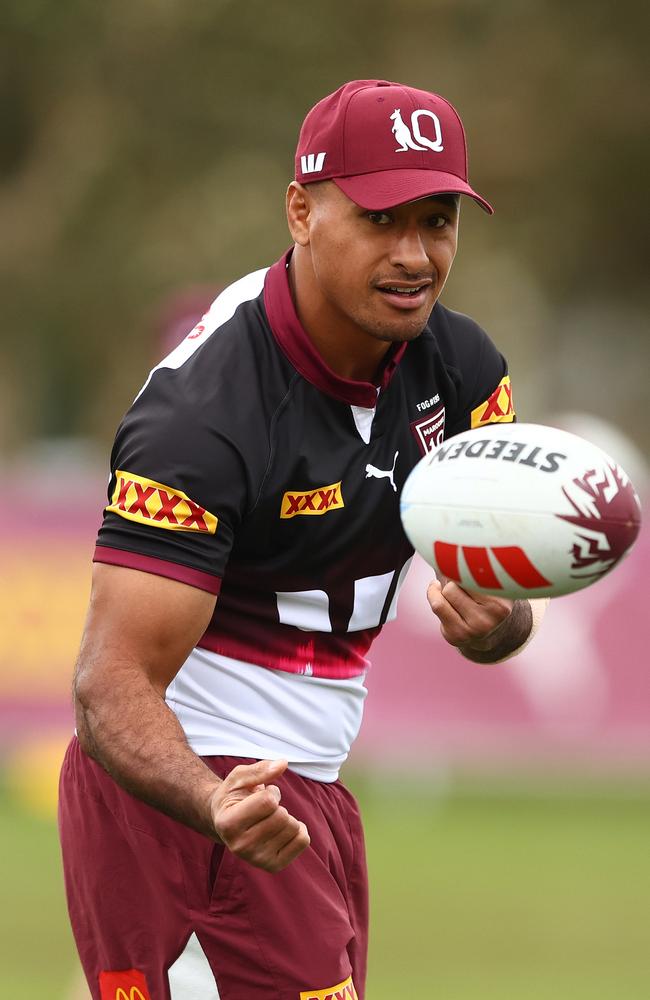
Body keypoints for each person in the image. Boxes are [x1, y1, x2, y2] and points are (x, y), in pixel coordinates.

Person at [59, 79, 545, 1000]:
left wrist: (503, 625)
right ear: (302, 211)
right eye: (380, 219)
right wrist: (212, 804)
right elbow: (108, 685)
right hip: (182, 796)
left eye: (437, 222)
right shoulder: (202, 417)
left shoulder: (466, 370)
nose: (414, 256)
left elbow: (505, 604)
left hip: (307, 795)